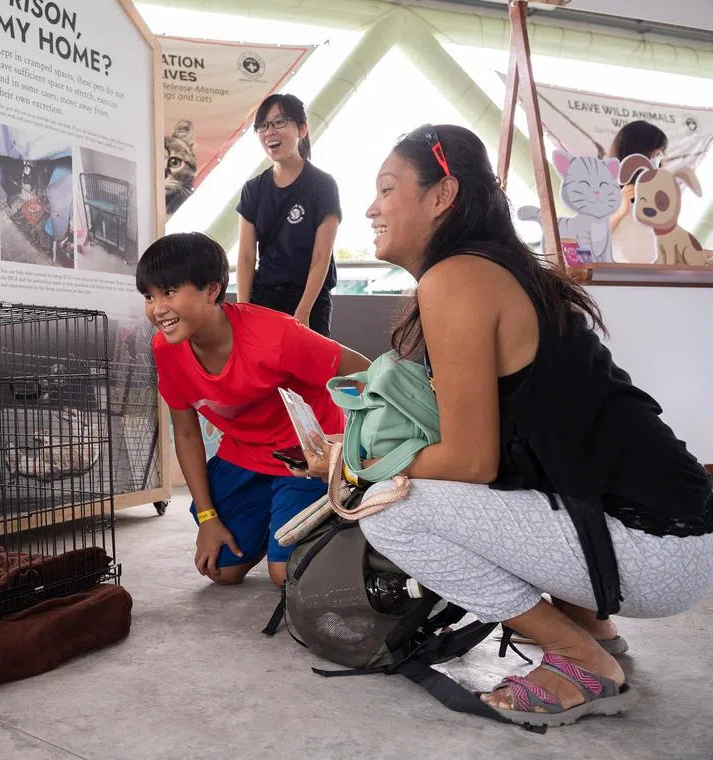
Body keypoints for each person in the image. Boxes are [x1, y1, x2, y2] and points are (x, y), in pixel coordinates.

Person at [296, 124, 713, 726]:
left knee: (388, 505)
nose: (371, 207)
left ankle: (578, 658)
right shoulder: (497, 270)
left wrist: (350, 466)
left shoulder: (457, 279)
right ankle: (591, 627)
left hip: (655, 549)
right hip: (676, 536)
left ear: (442, 196)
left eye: (387, 189)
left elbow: (471, 462)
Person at [138, 231, 370, 587]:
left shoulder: (275, 336)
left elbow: (365, 372)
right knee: (222, 570)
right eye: (149, 296)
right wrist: (207, 517)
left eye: (168, 293)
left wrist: (359, 450)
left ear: (212, 289)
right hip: (245, 453)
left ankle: (342, 509)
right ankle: (275, 521)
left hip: (303, 456)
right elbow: (185, 433)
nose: (157, 309)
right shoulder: (165, 349)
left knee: (285, 576)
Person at [236, 94, 341, 337]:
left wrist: (303, 312)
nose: (269, 132)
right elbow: (246, 256)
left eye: (279, 122)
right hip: (265, 299)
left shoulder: (323, 185)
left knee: (309, 373)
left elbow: (321, 256)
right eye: (262, 126)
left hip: (309, 300)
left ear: (302, 129)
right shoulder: (252, 189)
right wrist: (244, 308)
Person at [607, 120, 668, 264]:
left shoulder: (654, 194)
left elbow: (671, 241)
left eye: (660, 155)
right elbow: (590, 239)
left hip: (651, 275)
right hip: (619, 277)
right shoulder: (604, 190)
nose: (658, 161)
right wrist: (619, 214)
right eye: (655, 154)